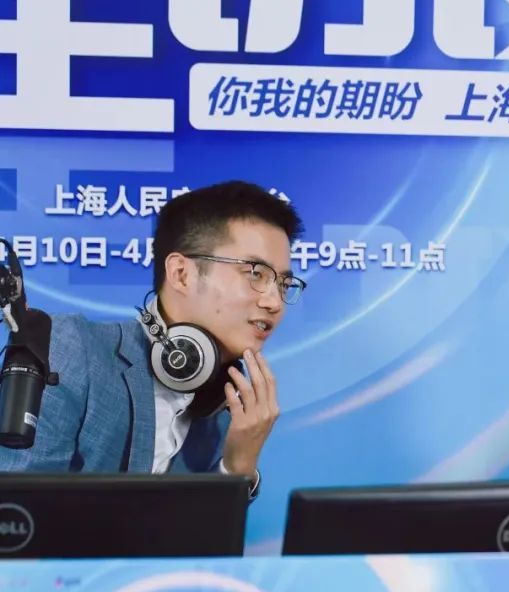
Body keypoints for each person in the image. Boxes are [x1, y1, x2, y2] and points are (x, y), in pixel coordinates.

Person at [0, 180, 306, 496]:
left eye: (284, 284)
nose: (275, 302)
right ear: (181, 274)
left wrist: (237, 469)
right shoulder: (72, 349)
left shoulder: (228, 412)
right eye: (256, 273)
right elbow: (17, 514)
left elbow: (202, 529)